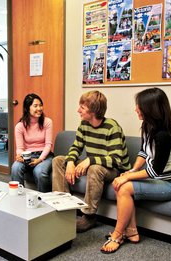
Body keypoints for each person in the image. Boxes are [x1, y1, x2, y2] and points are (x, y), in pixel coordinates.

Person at [101, 88, 171, 254]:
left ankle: (117, 235)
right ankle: (132, 232)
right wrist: (131, 171)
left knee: (125, 186)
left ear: (150, 109)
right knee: (123, 182)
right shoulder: (148, 126)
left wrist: (129, 177)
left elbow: (155, 171)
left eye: (139, 106)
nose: (136, 109)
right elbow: (143, 152)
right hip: (160, 179)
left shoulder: (164, 135)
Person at [52, 90, 131, 232]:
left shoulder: (112, 128)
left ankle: (89, 216)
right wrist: (70, 162)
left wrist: (90, 160)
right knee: (58, 160)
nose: (78, 110)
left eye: (82, 107)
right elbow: (76, 147)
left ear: (93, 110)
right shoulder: (84, 124)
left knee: (95, 168)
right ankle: (63, 207)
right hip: (94, 164)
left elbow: (116, 160)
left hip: (114, 170)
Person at [11, 93, 53, 192]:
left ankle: (44, 200)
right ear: (27, 108)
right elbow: (20, 148)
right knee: (15, 167)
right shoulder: (20, 126)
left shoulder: (47, 122)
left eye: (40, 105)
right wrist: (20, 156)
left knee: (39, 172)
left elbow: (48, 145)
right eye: (35, 106)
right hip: (28, 156)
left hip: (45, 156)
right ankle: (18, 198)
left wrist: (40, 159)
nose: (39, 108)